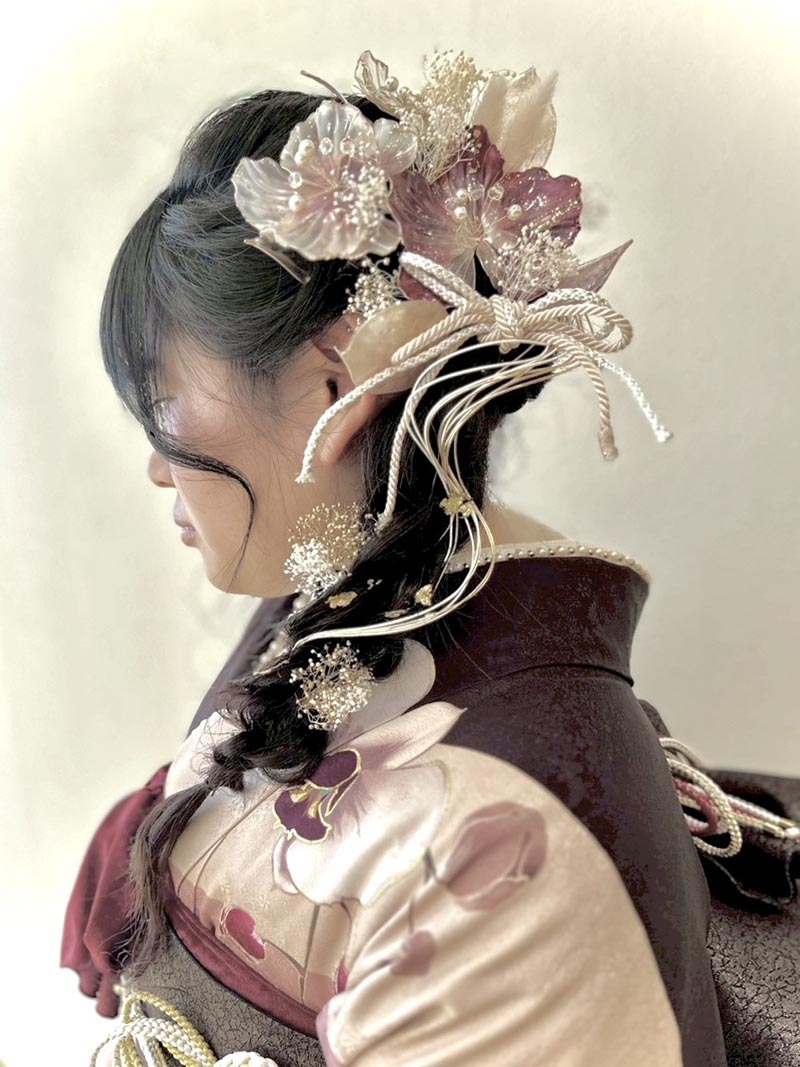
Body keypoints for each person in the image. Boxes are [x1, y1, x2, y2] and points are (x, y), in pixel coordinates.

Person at [61, 49, 800, 1067]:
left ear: (334, 389)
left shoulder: (522, 829)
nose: (156, 465)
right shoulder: (353, 586)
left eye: (161, 404)